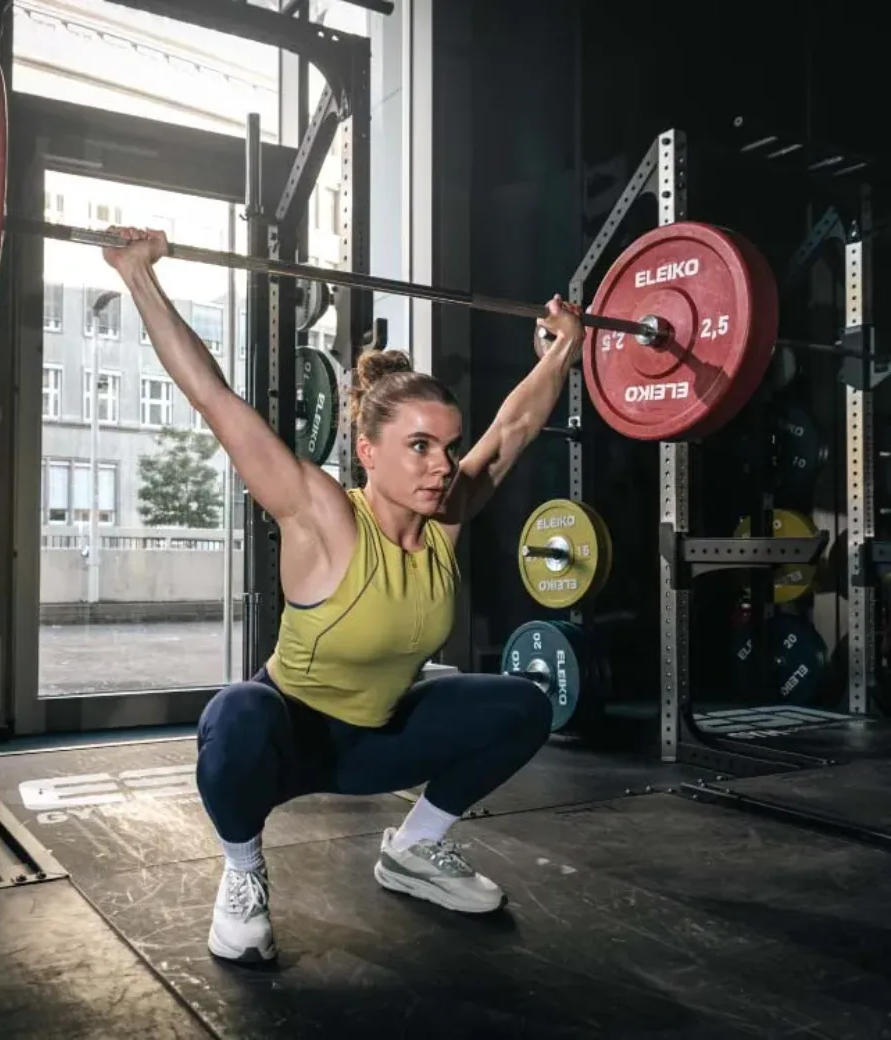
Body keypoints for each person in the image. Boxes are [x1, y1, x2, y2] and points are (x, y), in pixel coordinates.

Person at [102, 227, 585, 964]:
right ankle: (242, 872)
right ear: (367, 452)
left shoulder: (447, 518)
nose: (442, 464)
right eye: (419, 446)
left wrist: (563, 350)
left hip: (375, 744)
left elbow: (515, 426)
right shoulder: (322, 515)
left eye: (449, 446)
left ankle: (414, 850)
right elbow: (213, 398)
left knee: (524, 704)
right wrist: (138, 275)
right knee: (235, 713)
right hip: (286, 742)